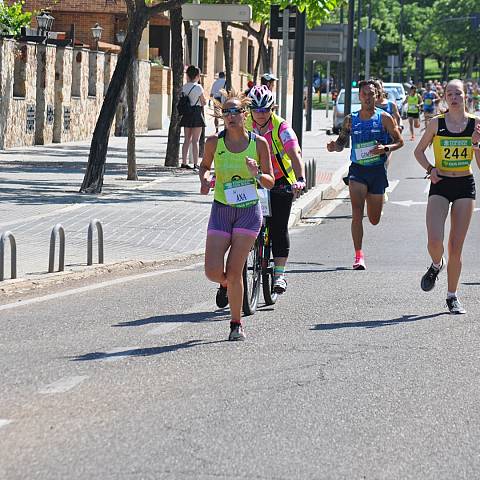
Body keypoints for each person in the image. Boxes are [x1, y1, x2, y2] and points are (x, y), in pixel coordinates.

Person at [199, 89, 274, 341]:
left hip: (248, 213)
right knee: (212, 271)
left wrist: (256, 173)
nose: (231, 116)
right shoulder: (214, 142)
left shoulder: (258, 143)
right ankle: (225, 284)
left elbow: (270, 181)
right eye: (226, 112)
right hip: (221, 208)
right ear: (222, 116)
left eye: (236, 111)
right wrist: (205, 178)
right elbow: (205, 167)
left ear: (245, 115)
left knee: (234, 271)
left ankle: (236, 324)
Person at [414, 79, 480, 314]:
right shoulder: (436, 124)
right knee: (434, 241)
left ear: (466, 97)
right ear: (445, 98)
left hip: (464, 184)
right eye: (450, 93)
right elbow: (418, 151)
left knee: (456, 246)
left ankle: (452, 296)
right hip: (440, 184)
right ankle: (435, 264)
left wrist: (475, 144)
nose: (454, 97)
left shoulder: (476, 124)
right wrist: (430, 170)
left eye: (458, 93)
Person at [327, 79, 404, 270]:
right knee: (356, 213)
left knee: (374, 219)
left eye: (371, 94)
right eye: (364, 94)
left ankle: (375, 199)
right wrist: (333, 147)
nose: (368, 97)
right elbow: (341, 143)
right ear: (359, 96)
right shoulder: (350, 120)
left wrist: (386, 148)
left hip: (377, 171)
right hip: (358, 170)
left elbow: (400, 141)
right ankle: (358, 255)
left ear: (377, 96)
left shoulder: (385, 118)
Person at [245, 85, 306, 294]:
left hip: (280, 181)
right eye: (256, 110)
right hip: (252, 181)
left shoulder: (282, 127)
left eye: (265, 110)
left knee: (279, 227)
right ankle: (230, 277)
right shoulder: (244, 125)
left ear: (273, 108)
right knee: (239, 227)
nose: (261, 114)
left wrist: (300, 178)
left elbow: (294, 153)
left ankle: (279, 274)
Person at [180, 65, 207, 170]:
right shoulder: (198, 87)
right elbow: (203, 102)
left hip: (187, 113)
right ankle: (196, 163)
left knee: (186, 139)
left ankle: (183, 162)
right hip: (196, 113)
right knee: (195, 140)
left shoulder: (184, 87)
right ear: (197, 76)